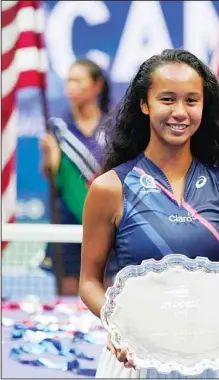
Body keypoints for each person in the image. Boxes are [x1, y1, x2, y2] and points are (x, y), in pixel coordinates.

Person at [78, 49, 219, 378]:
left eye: (191, 101)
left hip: (211, 363)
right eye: (167, 99)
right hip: (133, 362)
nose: (180, 112)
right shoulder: (109, 188)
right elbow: (89, 282)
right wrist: (119, 324)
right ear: (145, 104)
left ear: (203, 107)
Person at [39, 58, 117, 295]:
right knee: (70, 302)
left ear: (97, 86)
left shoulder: (114, 127)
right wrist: (50, 157)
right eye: (68, 81)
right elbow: (51, 175)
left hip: (108, 225)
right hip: (68, 223)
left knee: (109, 299)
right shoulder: (57, 127)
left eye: (78, 80)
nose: (70, 87)